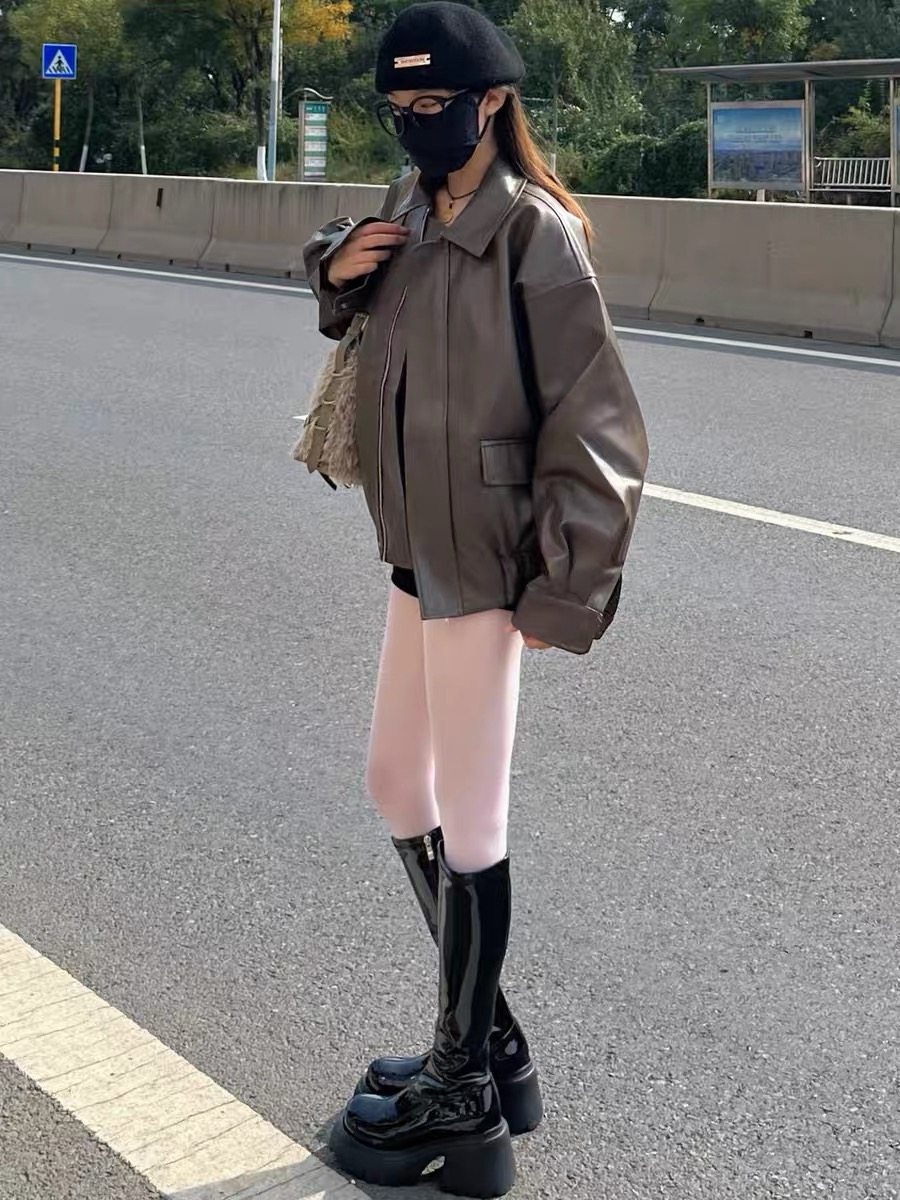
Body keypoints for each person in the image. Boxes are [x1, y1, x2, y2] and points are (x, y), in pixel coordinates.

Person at [302, 3, 649, 1195]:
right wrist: (332, 270)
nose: (414, 124)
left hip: (491, 562)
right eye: (397, 108)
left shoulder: (534, 233)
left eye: (433, 105)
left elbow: (600, 429)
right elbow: (369, 326)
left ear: (491, 103)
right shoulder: (406, 210)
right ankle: (490, 1044)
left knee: (473, 814)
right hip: (416, 549)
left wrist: (566, 592)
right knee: (396, 784)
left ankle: (464, 1096)